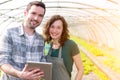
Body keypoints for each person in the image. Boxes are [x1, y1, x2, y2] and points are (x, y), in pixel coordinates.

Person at [0, 1, 46, 80]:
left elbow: (42, 59)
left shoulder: (40, 39)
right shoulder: (9, 33)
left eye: (40, 15)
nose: (36, 18)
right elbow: (3, 62)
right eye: (33, 13)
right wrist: (19, 74)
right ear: (25, 13)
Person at [43, 15, 84, 80]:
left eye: (58, 27)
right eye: (52, 27)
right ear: (48, 28)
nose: (54, 30)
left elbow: (81, 69)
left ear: (63, 30)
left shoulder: (70, 45)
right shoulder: (48, 45)